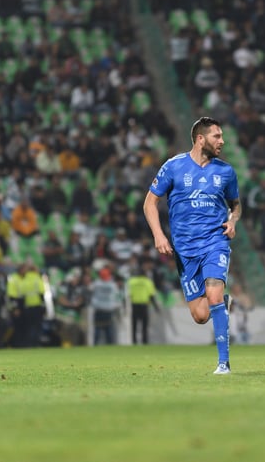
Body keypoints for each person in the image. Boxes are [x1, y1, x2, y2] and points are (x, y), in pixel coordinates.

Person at [144, 117, 241, 374]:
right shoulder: (173, 167)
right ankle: (223, 302)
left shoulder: (226, 171)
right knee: (200, 315)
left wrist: (232, 221)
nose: (222, 141)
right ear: (201, 139)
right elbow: (149, 203)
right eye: (216, 136)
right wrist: (159, 235)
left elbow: (236, 205)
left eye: (222, 136)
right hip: (185, 248)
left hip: (215, 241)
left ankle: (224, 363)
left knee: (213, 294)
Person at [127, 262, 160, 345]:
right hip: (144, 305)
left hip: (134, 305)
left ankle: (134, 342)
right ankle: (144, 341)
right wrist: (156, 307)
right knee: (144, 325)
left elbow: (128, 294)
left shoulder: (131, 281)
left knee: (134, 325)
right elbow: (151, 296)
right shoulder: (148, 282)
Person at [91, 268, 121, 345]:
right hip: (109, 308)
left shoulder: (96, 284)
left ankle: (95, 344)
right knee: (109, 328)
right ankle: (110, 345)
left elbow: (90, 290)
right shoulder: (112, 285)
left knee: (97, 328)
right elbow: (117, 295)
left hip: (98, 308)